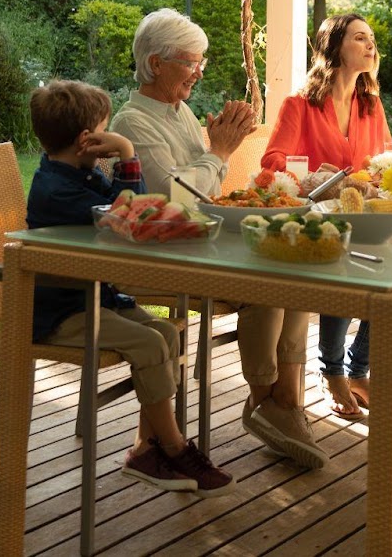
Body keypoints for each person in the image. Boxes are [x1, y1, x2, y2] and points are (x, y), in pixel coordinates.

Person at [111, 9, 328, 469]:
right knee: (265, 277)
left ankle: (284, 399)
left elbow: (206, 193)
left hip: (198, 243)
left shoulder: (181, 112)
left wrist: (216, 153)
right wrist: (219, 152)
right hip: (161, 254)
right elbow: (175, 199)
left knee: (294, 265)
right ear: (155, 65)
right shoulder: (133, 122)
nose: (199, 71)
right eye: (191, 62)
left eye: (201, 62)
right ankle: (266, 397)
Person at [26, 79, 232, 496]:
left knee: (166, 333)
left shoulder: (79, 175)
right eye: (105, 128)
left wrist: (125, 158)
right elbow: (136, 216)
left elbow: (142, 206)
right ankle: (174, 448)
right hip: (62, 313)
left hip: (97, 299)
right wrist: (126, 151)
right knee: (150, 344)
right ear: (88, 139)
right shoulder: (58, 189)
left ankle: (147, 446)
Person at [259, 12, 387, 421]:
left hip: (362, 212)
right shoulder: (301, 104)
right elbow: (273, 160)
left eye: (371, 38)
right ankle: (333, 371)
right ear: (333, 48)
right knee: (348, 259)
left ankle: (358, 365)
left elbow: (382, 159)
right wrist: (315, 173)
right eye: (359, 38)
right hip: (316, 216)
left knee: (391, 267)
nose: (370, 46)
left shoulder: (370, 104)